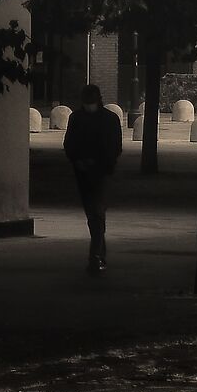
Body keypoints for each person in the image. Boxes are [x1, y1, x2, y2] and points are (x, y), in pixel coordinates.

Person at [62, 83, 123, 273]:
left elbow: (113, 147)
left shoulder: (81, 119)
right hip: (93, 170)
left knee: (95, 213)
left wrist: (80, 161)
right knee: (95, 215)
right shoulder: (107, 119)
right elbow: (70, 145)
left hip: (97, 171)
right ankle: (98, 254)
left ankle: (96, 255)